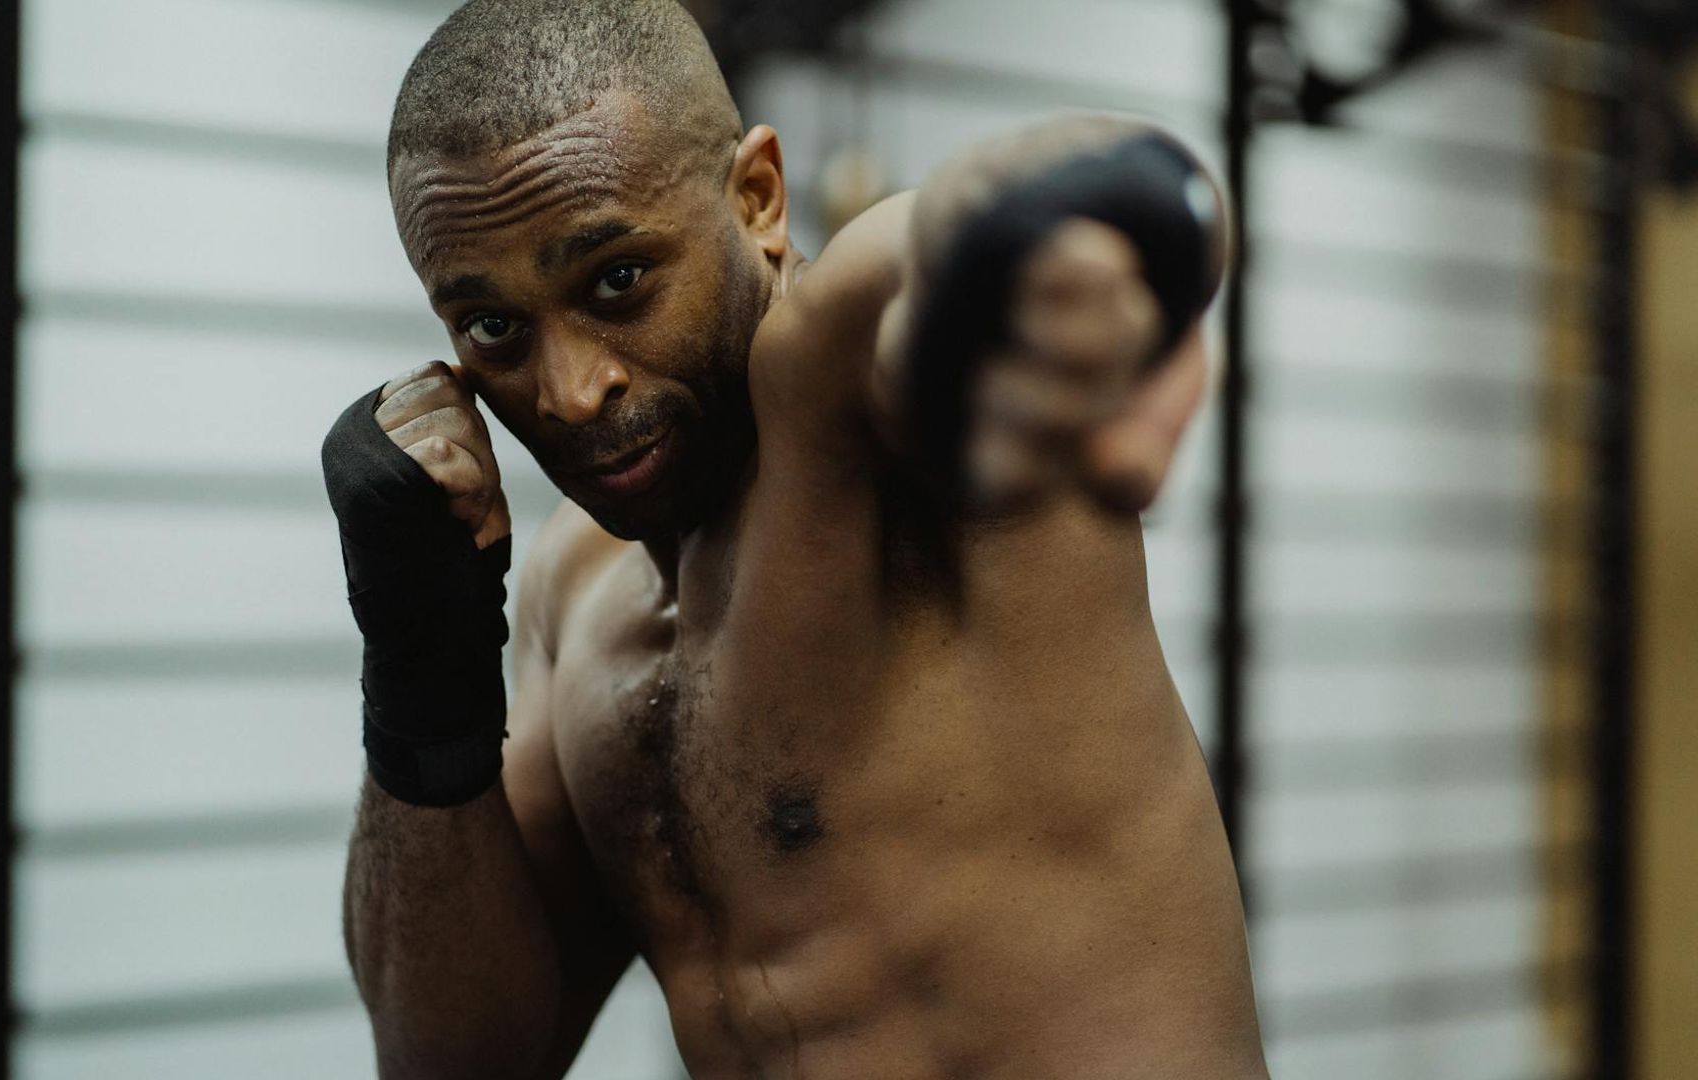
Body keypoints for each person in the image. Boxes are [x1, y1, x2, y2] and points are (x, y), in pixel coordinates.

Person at [321, 1, 1269, 1077]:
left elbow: (938, 251)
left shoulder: (854, 419)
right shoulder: (572, 603)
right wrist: (417, 661)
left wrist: (1099, 228)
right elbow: (450, 1059)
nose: (572, 394)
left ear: (758, 198)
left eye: (618, 280)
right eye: (496, 329)